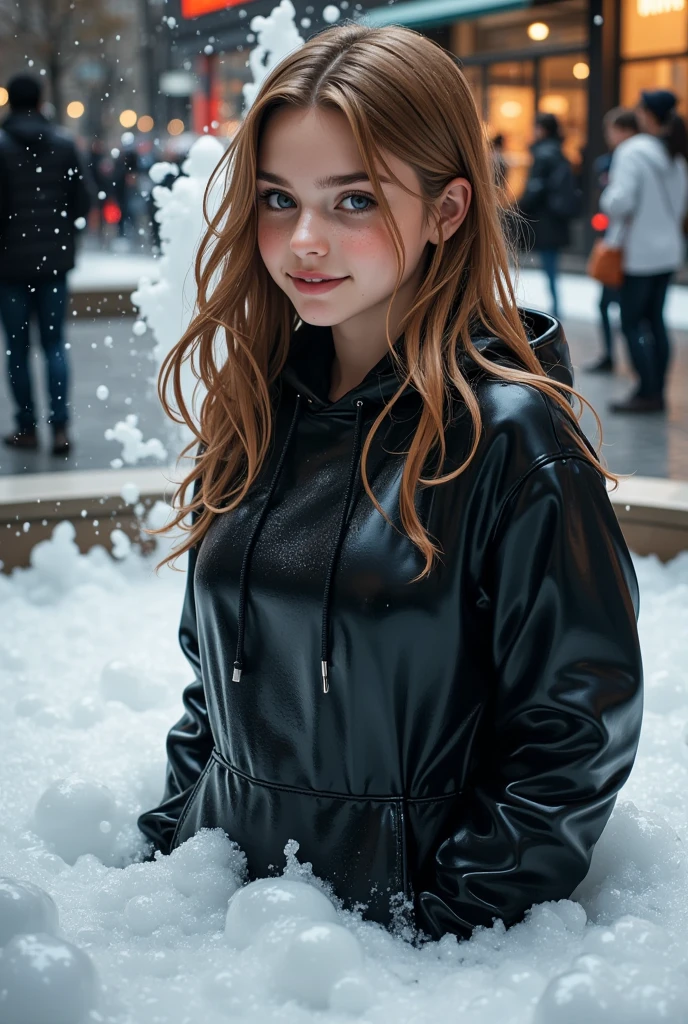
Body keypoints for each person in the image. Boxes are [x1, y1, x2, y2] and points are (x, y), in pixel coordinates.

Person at [137, 24, 642, 942]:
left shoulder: (511, 442)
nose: (305, 241)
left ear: (447, 211)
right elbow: (211, 694)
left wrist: (435, 942)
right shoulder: (258, 407)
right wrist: (169, 859)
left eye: (355, 199)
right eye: (278, 199)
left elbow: (574, 736)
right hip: (232, 944)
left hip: (387, 956)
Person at [0, 74, 91, 455]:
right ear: (41, 102)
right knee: (54, 344)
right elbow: (82, 202)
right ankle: (60, 427)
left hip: (9, 266)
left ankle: (27, 426)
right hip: (53, 262)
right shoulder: (63, 145)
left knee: (16, 348)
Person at [600, 89, 688, 413]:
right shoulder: (675, 153)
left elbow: (620, 202)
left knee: (631, 321)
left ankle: (646, 391)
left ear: (647, 115)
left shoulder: (633, 151)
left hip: (640, 253)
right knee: (656, 321)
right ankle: (656, 391)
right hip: (668, 251)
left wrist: (605, 195)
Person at [588, 108, 639, 373]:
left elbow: (616, 203)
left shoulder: (626, 158)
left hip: (625, 246)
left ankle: (637, 368)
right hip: (633, 245)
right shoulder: (658, 157)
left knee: (623, 309)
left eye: (611, 130)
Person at [519, 113, 581, 319]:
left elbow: (535, 190)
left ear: (542, 129)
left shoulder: (544, 155)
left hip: (544, 219)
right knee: (551, 264)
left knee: (547, 264)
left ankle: (553, 307)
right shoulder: (560, 153)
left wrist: (520, 206)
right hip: (556, 219)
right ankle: (555, 305)